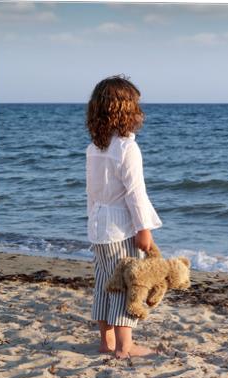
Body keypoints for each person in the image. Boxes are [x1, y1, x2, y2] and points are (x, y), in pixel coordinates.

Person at [85, 74, 162, 359]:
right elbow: (135, 193)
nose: (140, 112)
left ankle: (106, 343)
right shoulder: (127, 148)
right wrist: (144, 228)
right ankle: (124, 347)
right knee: (124, 285)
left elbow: (92, 193)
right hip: (120, 229)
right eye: (136, 106)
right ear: (126, 111)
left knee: (104, 283)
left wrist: (91, 222)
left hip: (99, 227)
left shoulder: (95, 147)